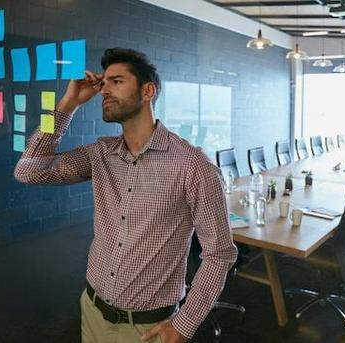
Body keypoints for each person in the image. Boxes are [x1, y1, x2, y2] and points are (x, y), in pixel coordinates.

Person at [14, 48, 237, 343]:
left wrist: (185, 323)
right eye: (104, 82)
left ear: (148, 91)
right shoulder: (100, 154)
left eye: (116, 81)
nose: (105, 89)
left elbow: (220, 253)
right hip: (92, 310)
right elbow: (27, 171)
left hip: (148, 328)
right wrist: (66, 106)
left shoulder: (192, 165)